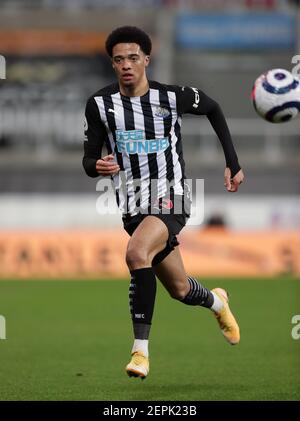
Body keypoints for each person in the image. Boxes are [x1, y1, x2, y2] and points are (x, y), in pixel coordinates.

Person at [82, 26, 245, 379]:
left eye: (133, 58)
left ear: (146, 60)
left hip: (173, 195)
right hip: (132, 204)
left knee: (135, 253)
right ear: (112, 64)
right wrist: (97, 166)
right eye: (119, 59)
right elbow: (88, 160)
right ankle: (218, 301)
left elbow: (215, 109)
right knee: (180, 288)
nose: (126, 64)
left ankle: (140, 353)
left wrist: (232, 162)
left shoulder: (172, 97)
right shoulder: (100, 105)